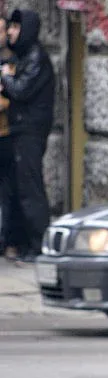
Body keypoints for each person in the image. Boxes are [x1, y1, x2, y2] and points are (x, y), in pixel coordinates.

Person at [0, 8, 54, 263]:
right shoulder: (24, 56)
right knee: (20, 187)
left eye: (15, 27)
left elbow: (21, 90)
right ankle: (24, 244)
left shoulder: (36, 57)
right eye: (9, 27)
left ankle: (39, 245)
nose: (11, 32)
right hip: (21, 130)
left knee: (30, 188)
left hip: (30, 130)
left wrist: (5, 79)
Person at [0, 14, 20, 261]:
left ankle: (9, 241)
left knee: (9, 191)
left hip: (6, 134)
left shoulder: (14, 61)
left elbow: (14, 97)